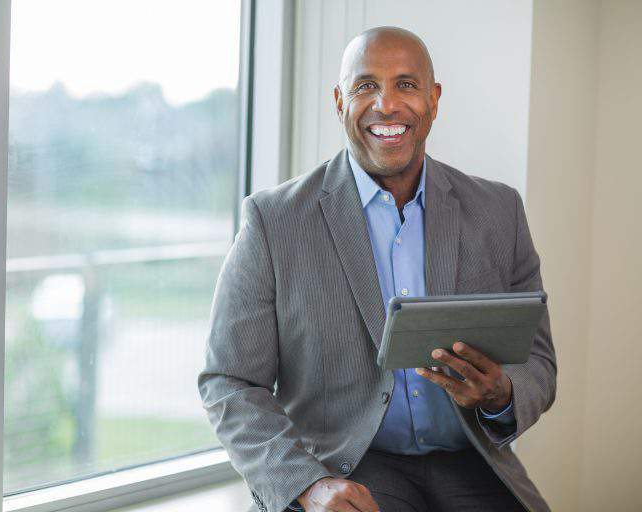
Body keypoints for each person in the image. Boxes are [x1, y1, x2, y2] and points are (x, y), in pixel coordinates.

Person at [198, 26, 556, 512]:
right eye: (366, 85)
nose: (386, 105)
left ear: (434, 99)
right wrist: (306, 484)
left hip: (473, 461)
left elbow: (538, 360)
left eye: (406, 85)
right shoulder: (273, 221)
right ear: (339, 101)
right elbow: (229, 381)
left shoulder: (498, 211)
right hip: (344, 466)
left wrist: (500, 394)